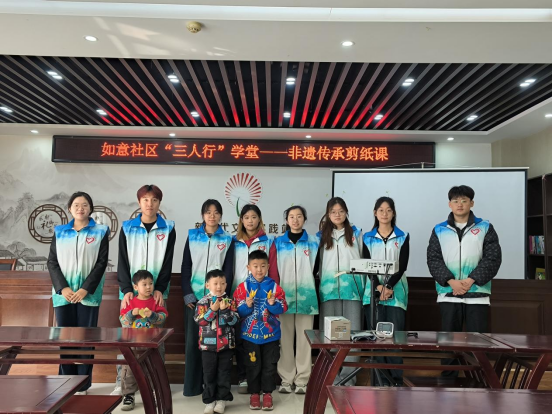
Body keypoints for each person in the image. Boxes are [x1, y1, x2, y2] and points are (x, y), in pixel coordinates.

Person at [427, 185, 502, 376]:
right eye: (455, 201)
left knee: (478, 342)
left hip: (477, 294)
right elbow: (433, 259)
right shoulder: (439, 229)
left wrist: (471, 280)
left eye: (464, 200)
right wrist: (450, 281)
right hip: (448, 293)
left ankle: (480, 379)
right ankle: (448, 379)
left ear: (471, 203)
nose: (459, 204)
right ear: (449, 204)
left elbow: (493, 258)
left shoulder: (485, 227)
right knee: (448, 342)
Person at [115, 184, 176, 395]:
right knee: (128, 339)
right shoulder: (127, 227)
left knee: (155, 340)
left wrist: (160, 288)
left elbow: (168, 261)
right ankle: (124, 386)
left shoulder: (168, 228)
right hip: (130, 293)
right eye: (146, 200)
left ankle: (154, 384)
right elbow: (122, 260)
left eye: (154, 200)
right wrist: (126, 289)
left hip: (156, 293)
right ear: (139, 202)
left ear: (160, 203)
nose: (150, 204)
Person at [47, 191, 110, 394]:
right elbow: (52, 262)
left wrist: (84, 289)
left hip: (88, 294)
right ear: (69, 209)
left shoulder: (100, 231)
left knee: (86, 340)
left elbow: (101, 263)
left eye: (84, 205)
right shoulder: (60, 232)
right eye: (76, 205)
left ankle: (83, 384)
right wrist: (63, 288)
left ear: (90, 208)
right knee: (65, 339)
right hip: (63, 295)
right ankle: (66, 382)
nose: (80, 208)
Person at [181, 199, 234, 397]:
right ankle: (193, 387)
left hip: (217, 300)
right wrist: (188, 294)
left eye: (216, 212)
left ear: (221, 215)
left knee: (214, 344)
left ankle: (213, 389)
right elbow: (186, 266)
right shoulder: (192, 236)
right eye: (208, 212)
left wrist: (222, 297)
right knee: (193, 343)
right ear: (202, 215)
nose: (212, 216)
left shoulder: (227, 239)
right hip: (195, 300)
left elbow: (228, 270)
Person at [315, 197, 363, 386]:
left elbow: (363, 260)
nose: (337, 215)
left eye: (341, 211)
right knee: (330, 336)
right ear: (328, 214)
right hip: (328, 292)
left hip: (353, 291)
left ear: (346, 212)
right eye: (333, 212)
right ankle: (331, 378)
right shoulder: (320, 237)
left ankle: (348, 379)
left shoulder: (357, 234)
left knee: (353, 335)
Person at [363, 196, 409, 386]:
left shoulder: (403, 236)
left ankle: (396, 382)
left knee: (395, 339)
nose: (384, 213)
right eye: (381, 210)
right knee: (377, 339)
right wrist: (378, 286)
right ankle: (379, 382)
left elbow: (402, 265)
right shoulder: (367, 237)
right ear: (375, 213)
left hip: (397, 294)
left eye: (388, 210)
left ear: (393, 213)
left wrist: (388, 287)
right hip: (373, 293)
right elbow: (366, 265)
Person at [232, 204, 279, 394]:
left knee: (259, 338)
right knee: (240, 338)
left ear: (259, 219)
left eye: (254, 217)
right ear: (241, 220)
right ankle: (243, 377)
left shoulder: (268, 241)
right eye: (246, 217)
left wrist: (272, 294)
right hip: (240, 294)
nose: (250, 221)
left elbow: (273, 269)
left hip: (263, 297)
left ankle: (263, 383)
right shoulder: (234, 241)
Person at [233, 250, 287, 411]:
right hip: (249, 336)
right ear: (248, 267)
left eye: (263, 266)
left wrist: (272, 304)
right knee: (252, 365)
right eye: (255, 266)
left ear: (268, 267)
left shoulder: (275, 287)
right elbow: (237, 312)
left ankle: (268, 394)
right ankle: (254, 394)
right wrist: (247, 305)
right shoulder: (242, 287)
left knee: (270, 366)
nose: (259, 270)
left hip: (271, 335)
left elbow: (283, 308)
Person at [274, 206, 320, 394]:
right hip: (282, 298)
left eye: (299, 216)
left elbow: (317, 268)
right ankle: (286, 379)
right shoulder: (278, 242)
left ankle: (302, 380)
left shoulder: (314, 242)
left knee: (305, 341)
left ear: (304, 219)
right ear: (286, 220)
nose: (295, 220)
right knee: (284, 340)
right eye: (291, 217)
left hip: (306, 298)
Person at [119, 270, 169, 411]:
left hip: (153, 343)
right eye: (144, 284)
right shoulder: (130, 302)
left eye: (151, 284)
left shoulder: (156, 301)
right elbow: (123, 320)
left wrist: (152, 315)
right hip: (133, 343)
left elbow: (162, 318)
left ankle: (156, 392)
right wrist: (132, 313)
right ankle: (128, 395)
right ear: (136, 287)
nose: (148, 287)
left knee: (154, 368)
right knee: (129, 369)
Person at [195, 269, 239, 414]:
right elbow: (200, 321)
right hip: (207, 347)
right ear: (208, 285)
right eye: (215, 283)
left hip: (226, 345)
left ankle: (222, 400)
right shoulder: (202, 302)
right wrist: (212, 310)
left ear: (226, 284)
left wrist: (225, 311)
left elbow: (235, 321)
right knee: (209, 374)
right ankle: (209, 401)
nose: (219, 287)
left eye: (222, 283)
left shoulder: (230, 302)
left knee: (224, 374)